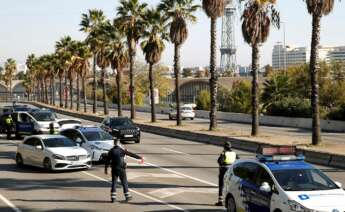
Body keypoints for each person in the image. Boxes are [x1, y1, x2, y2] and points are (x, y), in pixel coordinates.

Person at [105, 139, 144, 203]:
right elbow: (131, 154)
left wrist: (106, 169)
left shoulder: (111, 151)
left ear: (114, 144)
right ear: (119, 144)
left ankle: (113, 198)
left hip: (114, 169)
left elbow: (107, 161)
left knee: (114, 183)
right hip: (121, 169)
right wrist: (139, 157)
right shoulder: (121, 150)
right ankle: (127, 196)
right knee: (124, 182)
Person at [215, 141, 238, 206]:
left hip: (224, 170)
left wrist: (221, 156)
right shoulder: (234, 153)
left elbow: (220, 161)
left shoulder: (224, 153)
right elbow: (238, 159)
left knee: (221, 185)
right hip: (231, 170)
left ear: (224, 147)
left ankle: (220, 201)